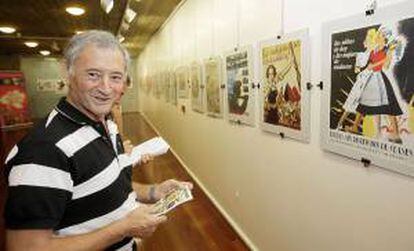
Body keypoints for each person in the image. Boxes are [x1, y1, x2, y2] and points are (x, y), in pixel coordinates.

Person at [4, 30, 192, 251]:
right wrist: (123, 229)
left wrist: (154, 192)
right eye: (93, 75)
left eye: (115, 77)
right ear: (68, 73)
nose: (105, 88)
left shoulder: (107, 124)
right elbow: (25, 248)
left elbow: (110, 184)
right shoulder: (44, 150)